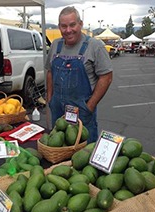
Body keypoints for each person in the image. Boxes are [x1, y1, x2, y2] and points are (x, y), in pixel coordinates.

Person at [45, 6, 113, 143]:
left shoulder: (95, 46)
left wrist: (90, 106)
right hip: (58, 110)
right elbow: (50, 72)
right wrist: (50, 99)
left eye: (72, 25)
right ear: (59, 27)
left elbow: (106, 77)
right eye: (64, 26)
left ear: (80, 24)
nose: (68, 30)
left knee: (83, 153)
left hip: (82, 111)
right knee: (59, 147)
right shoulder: (55, 45)